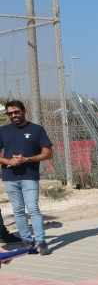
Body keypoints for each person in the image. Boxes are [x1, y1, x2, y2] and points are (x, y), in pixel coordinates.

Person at [0, 100, 54, 255]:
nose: (13, 115)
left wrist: (27, 159)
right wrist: (8, 161)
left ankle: (41, 241)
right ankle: (26, 241)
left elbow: (48, 153)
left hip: (29, 176)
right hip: (10, 177)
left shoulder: (37, 130)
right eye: (10, 113)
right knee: (17, 210)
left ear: (24, 112)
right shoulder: (3, 131)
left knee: (33, 209)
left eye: (16, 112)